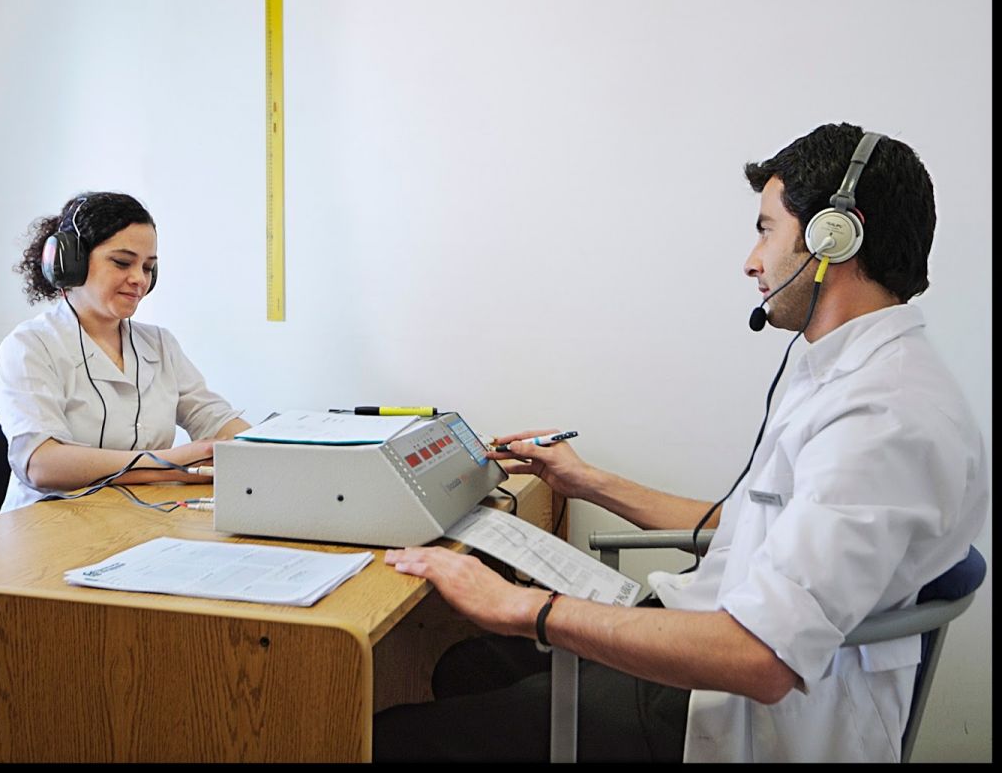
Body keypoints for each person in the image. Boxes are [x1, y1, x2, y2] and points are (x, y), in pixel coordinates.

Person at [372, 123, 988, 762]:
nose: (751, 261)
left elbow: (762, 658)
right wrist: (588, 482)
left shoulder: (884, 418)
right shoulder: (845, 374)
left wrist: (524, 606)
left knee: (396, 740)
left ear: (835, 235)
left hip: (737, 708)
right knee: (467, 667)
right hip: (719, 650)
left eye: (765, 229)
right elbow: (757, 526)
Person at [0, 191, 250, 512]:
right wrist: (172, 464)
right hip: (47, 526)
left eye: (148, 267)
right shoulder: (30, 346)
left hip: (139, 519)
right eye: (122, 262)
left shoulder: (159, 344)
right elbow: (43, 464)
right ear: (71, 262)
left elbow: (218, 422)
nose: (139, 279)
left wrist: (270, 448)